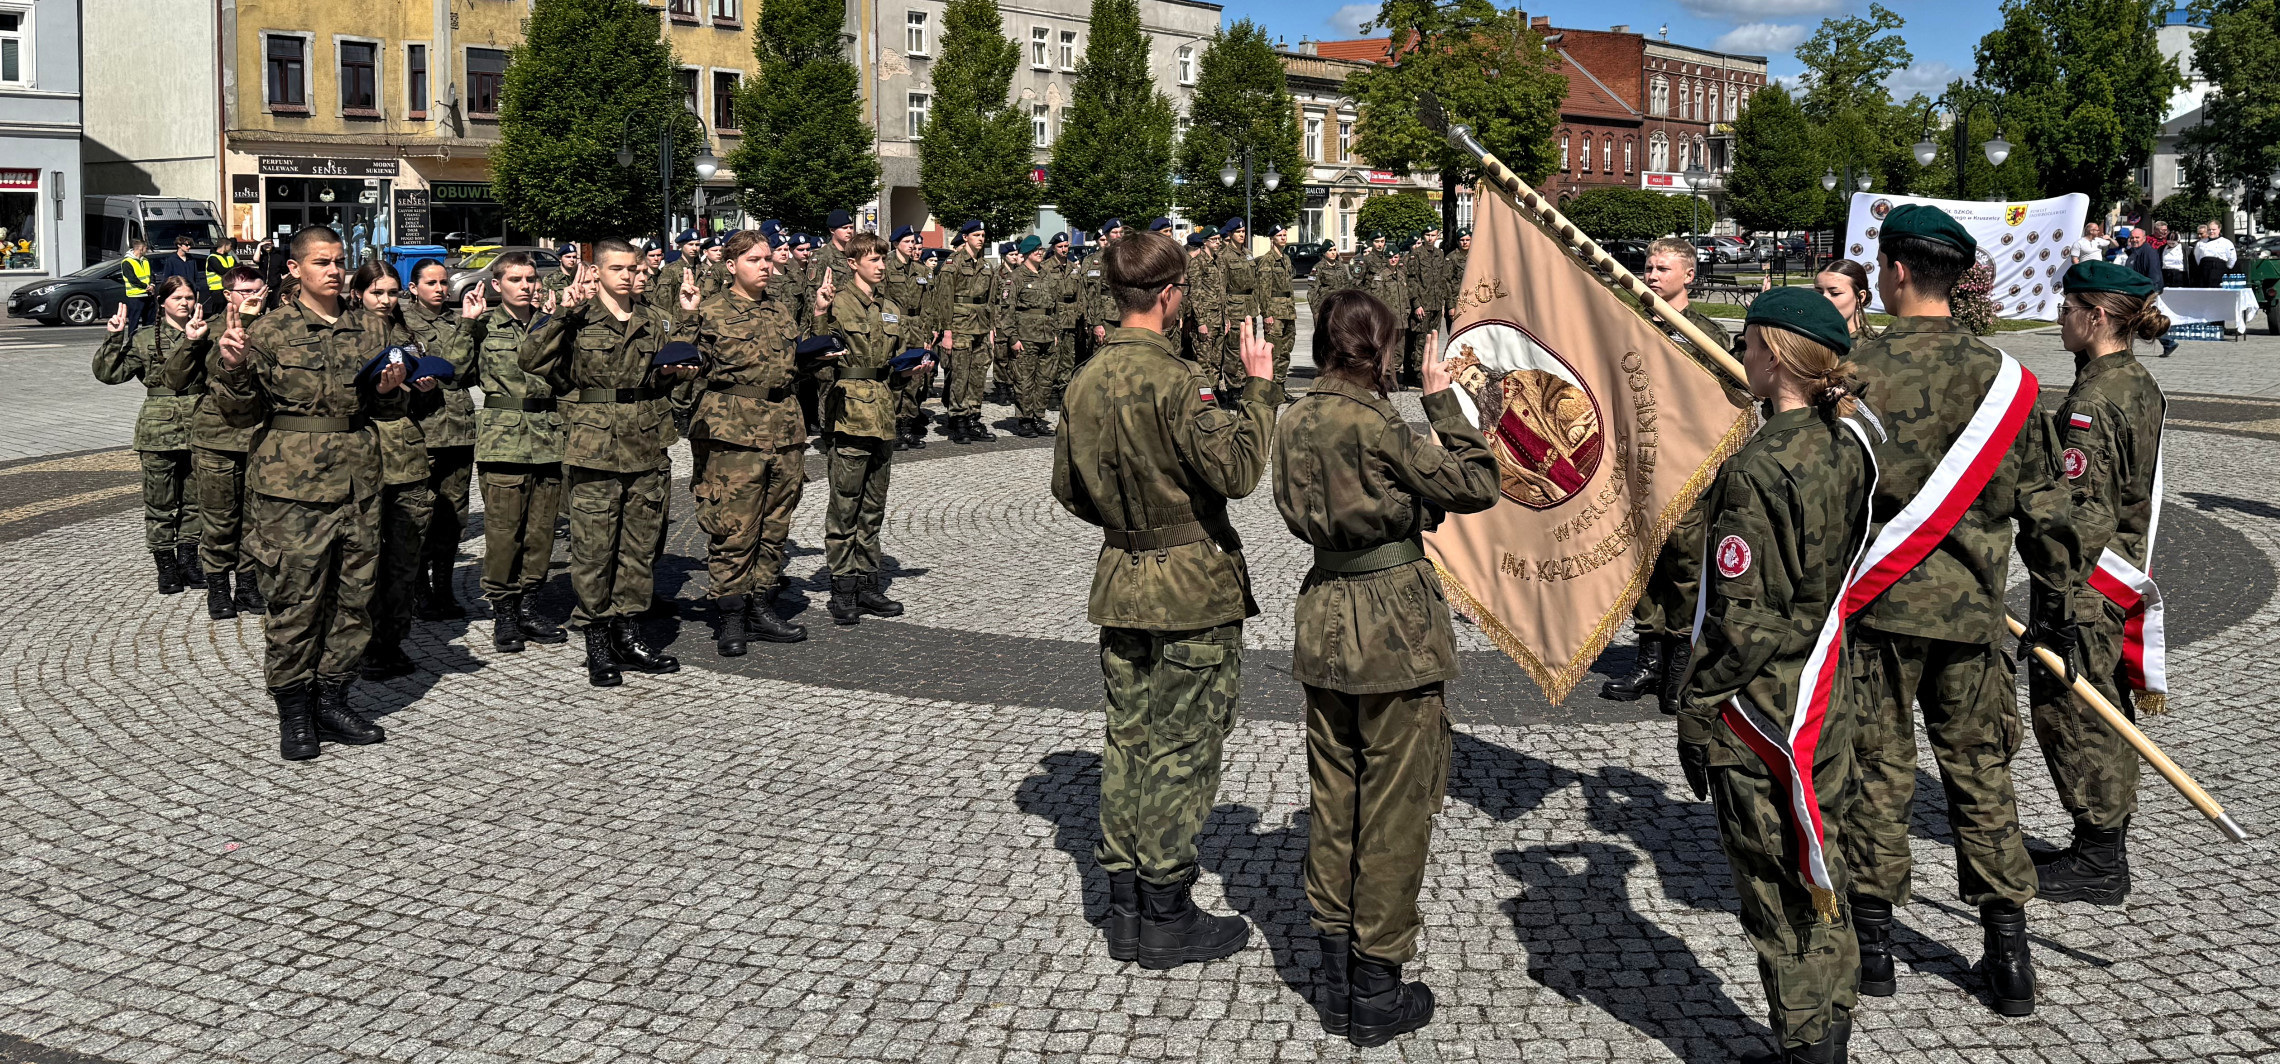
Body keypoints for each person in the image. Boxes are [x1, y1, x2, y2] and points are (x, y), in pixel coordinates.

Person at [1840, 204, 2084, 1018]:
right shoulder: (2007, 380)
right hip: (1973, 617)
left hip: (1875, 611)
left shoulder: (1852, 370)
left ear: (1897, 271)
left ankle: (1872, 946)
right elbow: (2048, 510)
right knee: (1980, 774)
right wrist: (2055, 608)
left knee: (1879, 771)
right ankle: (2007, 952)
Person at [1273, 288, 1498, 1046]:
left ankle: (1336, 956)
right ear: (1383, 348)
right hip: (1392, 621)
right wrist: (1444, 405)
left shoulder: (1296, 415)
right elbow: (1477, 484)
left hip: (1324, 608)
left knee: (1335, 792)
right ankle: (1376, 984)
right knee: (1397, 802)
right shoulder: (1382, 425)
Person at [1050, 230, 1276, 972]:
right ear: (1172, 295)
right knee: (1182, 748)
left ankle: (1122, 906)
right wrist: (1261, 389)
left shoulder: (1083, 381)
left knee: (1128, 739)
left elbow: (1068, 490)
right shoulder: (1180, 380)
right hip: (1190, 588)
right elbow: (1239, 470)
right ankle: (1166, 912)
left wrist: (1130, 522)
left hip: (1122, 577)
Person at [1677, 287, 1877, 1064]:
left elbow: (1743, 621)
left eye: (1753, 344)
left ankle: (1804, 1045)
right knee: (1826, 868)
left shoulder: (1758, 470)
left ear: (1779, 356)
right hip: (1828, 693)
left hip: (1765, 713)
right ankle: (1831, 1026)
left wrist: (1697, 710)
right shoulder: (1848, 442)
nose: (1744, 354)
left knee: (1775, 885)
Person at [212, 224, 403, 760]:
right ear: (294, 269)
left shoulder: (371, 329)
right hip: (289, 489)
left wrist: (393, 390)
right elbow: (239, 413)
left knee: (353, 597)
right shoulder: (267, 331)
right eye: (322, 262)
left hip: (358, 481)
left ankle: (333, 696)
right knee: (295, 600)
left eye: (339, 260)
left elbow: (387, 409)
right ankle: (294, 711)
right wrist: (231, 367)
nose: (335, 270)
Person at [2031, 260, 2172, 905]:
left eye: (2068, 308)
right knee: (2103, 704)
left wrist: (2056, 590)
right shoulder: (2137, 380)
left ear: (2097, 317)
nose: (2060, 318)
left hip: (2088, 582)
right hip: (2117, 572)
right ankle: (2099, 844)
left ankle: (2099, 857)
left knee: (2074, 710)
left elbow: (2084, 511)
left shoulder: (2094, 400)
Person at [519, 239, 699, 686]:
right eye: (615, 268)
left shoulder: (650, 318)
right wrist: (561, 312)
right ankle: (597, 639)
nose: (625, 275)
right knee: (594, 550)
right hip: (594, 447)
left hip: (645, 444)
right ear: (597, 272)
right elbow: (531, 359)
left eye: (630, 267)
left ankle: (629, 631)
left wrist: (674, 370)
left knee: (638, 548)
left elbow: (661, 382)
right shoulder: (578, 318)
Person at [686, 229, 834, 654]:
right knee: (733, 527)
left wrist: (819, 325)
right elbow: (684, 373)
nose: (766, 266)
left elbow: (795, 370)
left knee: (774, 525)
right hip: (733, 434)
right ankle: (730, 615)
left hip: (784, 430)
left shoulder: (781, 312)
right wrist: (684, 317)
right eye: (755, 260)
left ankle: (761, 604)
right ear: (731, 266)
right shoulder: (709, 313)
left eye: (769, 259)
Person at [1601, 236, 1733, 704]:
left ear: (1689, 276)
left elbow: (1727, 403)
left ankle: (1680, 663)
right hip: (1636, 468)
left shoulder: (1707, 335)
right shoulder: (1632, 324)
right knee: (1642, 563)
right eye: (1649, 267)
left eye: (1662, 269)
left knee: (1683, 566)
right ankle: (1648, 659)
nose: (1651, 275)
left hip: (1686, 471)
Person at [819, 233, 932, 623]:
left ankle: (868, 584)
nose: (881, 266)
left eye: (883, 259)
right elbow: (813, 356)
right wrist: (818, 315)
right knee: (844, 507)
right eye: (873, 260)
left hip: (883, 412)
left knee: (873, 508)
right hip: (849, 413)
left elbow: (892, 368)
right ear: (852, 263)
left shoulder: (891, 308)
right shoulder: (836, 304)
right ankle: (842, 588)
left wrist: (909, 371)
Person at [460, 252, 569, 654]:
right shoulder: (487, 325)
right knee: (505, 534)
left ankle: (530, 606)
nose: (527, 285)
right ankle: (504, 614)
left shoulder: (549, 323)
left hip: (547, 437)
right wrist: (467, 323)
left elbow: (569, 374)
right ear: (496, 285)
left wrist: (558, 322)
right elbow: (456, 371)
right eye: (517, 279)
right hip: (503, 440)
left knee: (541, 533)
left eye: (531, 278)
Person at [343, 262, 439, 682]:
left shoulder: (407, 336)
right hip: (360, 457)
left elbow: (424, 406)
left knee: (404, 559)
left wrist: (426, 388)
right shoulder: (345, 335)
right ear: (359, 294)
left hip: (406, 457)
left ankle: (390, 642)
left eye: (393, 292)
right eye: (377, 292)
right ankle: (357, 648)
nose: (385, 300)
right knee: (362, 562)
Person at [162, 266, 271, 618]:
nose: (251, 298)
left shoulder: (276, 327)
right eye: (243, 292)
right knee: (220, 519)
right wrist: (192, 342)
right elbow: (176, 379)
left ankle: (249, 586)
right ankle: (218, 589)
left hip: (261, 437)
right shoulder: (209, 328)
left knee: (255, 519)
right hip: (218, 438)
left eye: (258, 291)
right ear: (228, 295)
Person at [93, 277, 209, 595]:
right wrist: (114, 337)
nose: (184, 303)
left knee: (195, 502)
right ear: (162, 302)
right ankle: (166, 567)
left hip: (200, 425)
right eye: (177, 298)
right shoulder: (145, 338)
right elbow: (109, 374)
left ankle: (189, 561)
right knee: (160, 504)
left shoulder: (206, 332)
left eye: (188, 297)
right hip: (159, 431)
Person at [402, 258, 480, 621]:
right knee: (421, 516)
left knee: (453, 517)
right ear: (414, 287)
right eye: (431, 283)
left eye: (443, 282)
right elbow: (450, 370)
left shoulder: (456, 320)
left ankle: (445, 591)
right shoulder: (404, 324)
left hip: (459, 430)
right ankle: (420, 594)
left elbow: (468, 370)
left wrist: (466, 326)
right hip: (424, 430)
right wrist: (466, 327)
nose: (440, 288)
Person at [940, 220, 999, 443]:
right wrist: (946, 331)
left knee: (978, 375)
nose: (981, 238)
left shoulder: (986, 266)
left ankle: (974, 417)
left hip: (981, 326)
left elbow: (991, 300)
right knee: (960, 375)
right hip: (960, 325)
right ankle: (958, 419)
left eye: (983, 235)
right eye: (976, 235)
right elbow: (944, 299)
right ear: (965, 237)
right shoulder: (953, 263)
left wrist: (991, 327)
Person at [884, 225, 940, 450]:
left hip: (916, 327)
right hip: (894, 326)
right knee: (896, 376)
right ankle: (893, 426)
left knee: (915, 378)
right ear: (896, 244)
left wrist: (927, 333)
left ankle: (907, 425)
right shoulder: (886, 267)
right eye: (907, 242)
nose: (912, 246)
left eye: (914, 243)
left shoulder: (922, 271)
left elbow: (928, 305)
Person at [1006, 236, 1060, 438]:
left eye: (1041, 249)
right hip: (1026, 335)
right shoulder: (1017, 276)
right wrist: (1012, 337)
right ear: (1027, 252)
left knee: (1045, 380)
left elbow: (1054, 307)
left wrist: (1055, 332)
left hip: (1047, 335)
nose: (1040, 252)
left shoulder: (1047, 275)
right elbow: (1007, 309)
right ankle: (1025, 419)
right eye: (1036, 249)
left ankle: (1038, 416)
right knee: (1025, 380)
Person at [2117, 227, 2175, 357]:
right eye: (2132, 237)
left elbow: (2154, 273)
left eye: (2137, 237)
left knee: (2137, 318)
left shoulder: (2149, 252)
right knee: (2140, 319)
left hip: (2146, 291)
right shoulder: (2133, 251)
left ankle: (2125, 349)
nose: (2134, 240)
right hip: (2136, 290)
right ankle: (2168, 342)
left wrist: (2150, 292)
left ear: (2144, 238)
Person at [1216, 219, 1258, 399]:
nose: (1242, 235)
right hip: (1233, 306)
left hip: (1249, 307)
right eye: (1238, 232)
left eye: (1243, 231)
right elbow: (1222, 287)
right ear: (1231, 234)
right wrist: (1225, 315)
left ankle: (1245, 385)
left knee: (1249, 348)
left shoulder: (1248, 254)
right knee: (1233, 349)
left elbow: (1255, 283)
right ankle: (1233, 388)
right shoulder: (1224, 256)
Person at [1255, 224, 1297, 402]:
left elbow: (1290, 288)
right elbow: (1263, 289)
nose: (1283, 238)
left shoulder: (1286, 259)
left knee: (1286, 352)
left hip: (1288, 310)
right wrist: (1266, 314)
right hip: (1275, 311)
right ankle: (1270, 389)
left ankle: (1280, 388)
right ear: (1272, 238)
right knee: (1274, 352)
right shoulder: (1267, 260)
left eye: (1285, 235)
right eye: (1279, 235)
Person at [1401, 228, 1445, 388]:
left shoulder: (1440, 254)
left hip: (1436, 305)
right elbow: (1411, 282)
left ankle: (1428, 370)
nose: (1430, 238)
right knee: (1420, 341)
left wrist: (1444, 302)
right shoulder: (1415, 255)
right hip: (1422, 305)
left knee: (1433, 339)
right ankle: (1417, 373)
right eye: (1427, 235)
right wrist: (1416, 304)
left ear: (1437, 236)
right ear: (1423, 237)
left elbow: (1442, 279)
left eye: (1433, 235)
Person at [1814, 259, 1876, 338]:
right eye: (1819, 292)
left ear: (1860, 297)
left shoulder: (1876, 347)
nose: (1824, 299)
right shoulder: (1805, 341)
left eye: (1835, 293)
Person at [120, 238, 157, 329]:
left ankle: (148, 340)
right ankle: (132, 340)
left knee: (150, 322)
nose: (147, 251)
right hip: (135, 297)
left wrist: (152, 284)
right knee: (134, 321)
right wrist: (145, 286)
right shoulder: (127, 262)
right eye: (146, 249)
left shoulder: (145, 260)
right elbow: (132, 279)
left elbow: (151, 275)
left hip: (148, 295)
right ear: (141, 249)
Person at [201, 235, 240, 311]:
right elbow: (222, 271)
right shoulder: (212, 258)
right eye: (230, 246)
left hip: (229, 288)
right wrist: (235, 267)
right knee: (219, 307)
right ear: (225, 246)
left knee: (229, 308)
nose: (230, 248)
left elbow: (237, 269)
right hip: (217, 288)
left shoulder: (230, 257)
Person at [2192, 221, 2235, 288]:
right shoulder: (2200, 243)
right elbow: (2197, 256)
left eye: (2214, 229)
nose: (2211, 231)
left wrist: (2226, 267)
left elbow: (2232, 258)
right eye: (2209, 230)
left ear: (2219, 229)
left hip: (2219, 270)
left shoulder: (2226, 243)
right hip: (2204, 270)